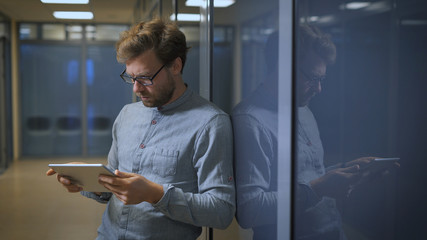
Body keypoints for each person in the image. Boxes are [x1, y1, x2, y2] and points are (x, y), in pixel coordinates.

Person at [47, 18, 235, 240]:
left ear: (176, 66)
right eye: (131, 78)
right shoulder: (128, 114)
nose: (136, 88)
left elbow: (221, 211)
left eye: (145, 78)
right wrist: (88, 180)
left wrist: (155, 194)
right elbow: (115, 185)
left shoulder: (210, 123)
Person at [233, 25, 395, 240]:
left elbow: (308, 176)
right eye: (313, 78)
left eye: (322, 80)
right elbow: (249, 210)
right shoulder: (250, 120)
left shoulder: (304, 110)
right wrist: (318, 189)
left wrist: (350, 170)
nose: (319, 89)